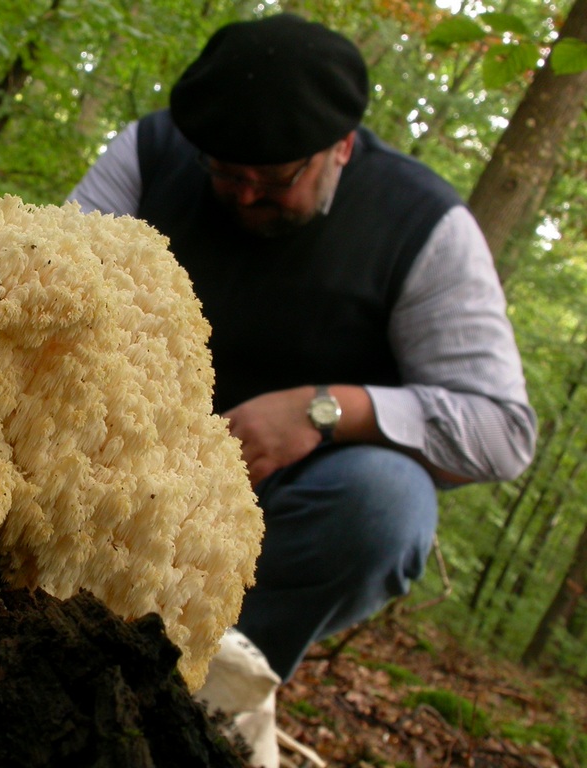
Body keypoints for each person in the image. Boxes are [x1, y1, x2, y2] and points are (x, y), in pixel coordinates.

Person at [67, 13, 537, 681]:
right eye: (224, 172)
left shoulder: (422, 225)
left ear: (340, 147)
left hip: (273, 505)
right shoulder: (154, 149)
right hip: (110, 449)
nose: (245, 194)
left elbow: (503, 429)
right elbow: (58, 275)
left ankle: (194, 677)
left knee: (388, 502)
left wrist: (324, 410)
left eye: (274, 178)